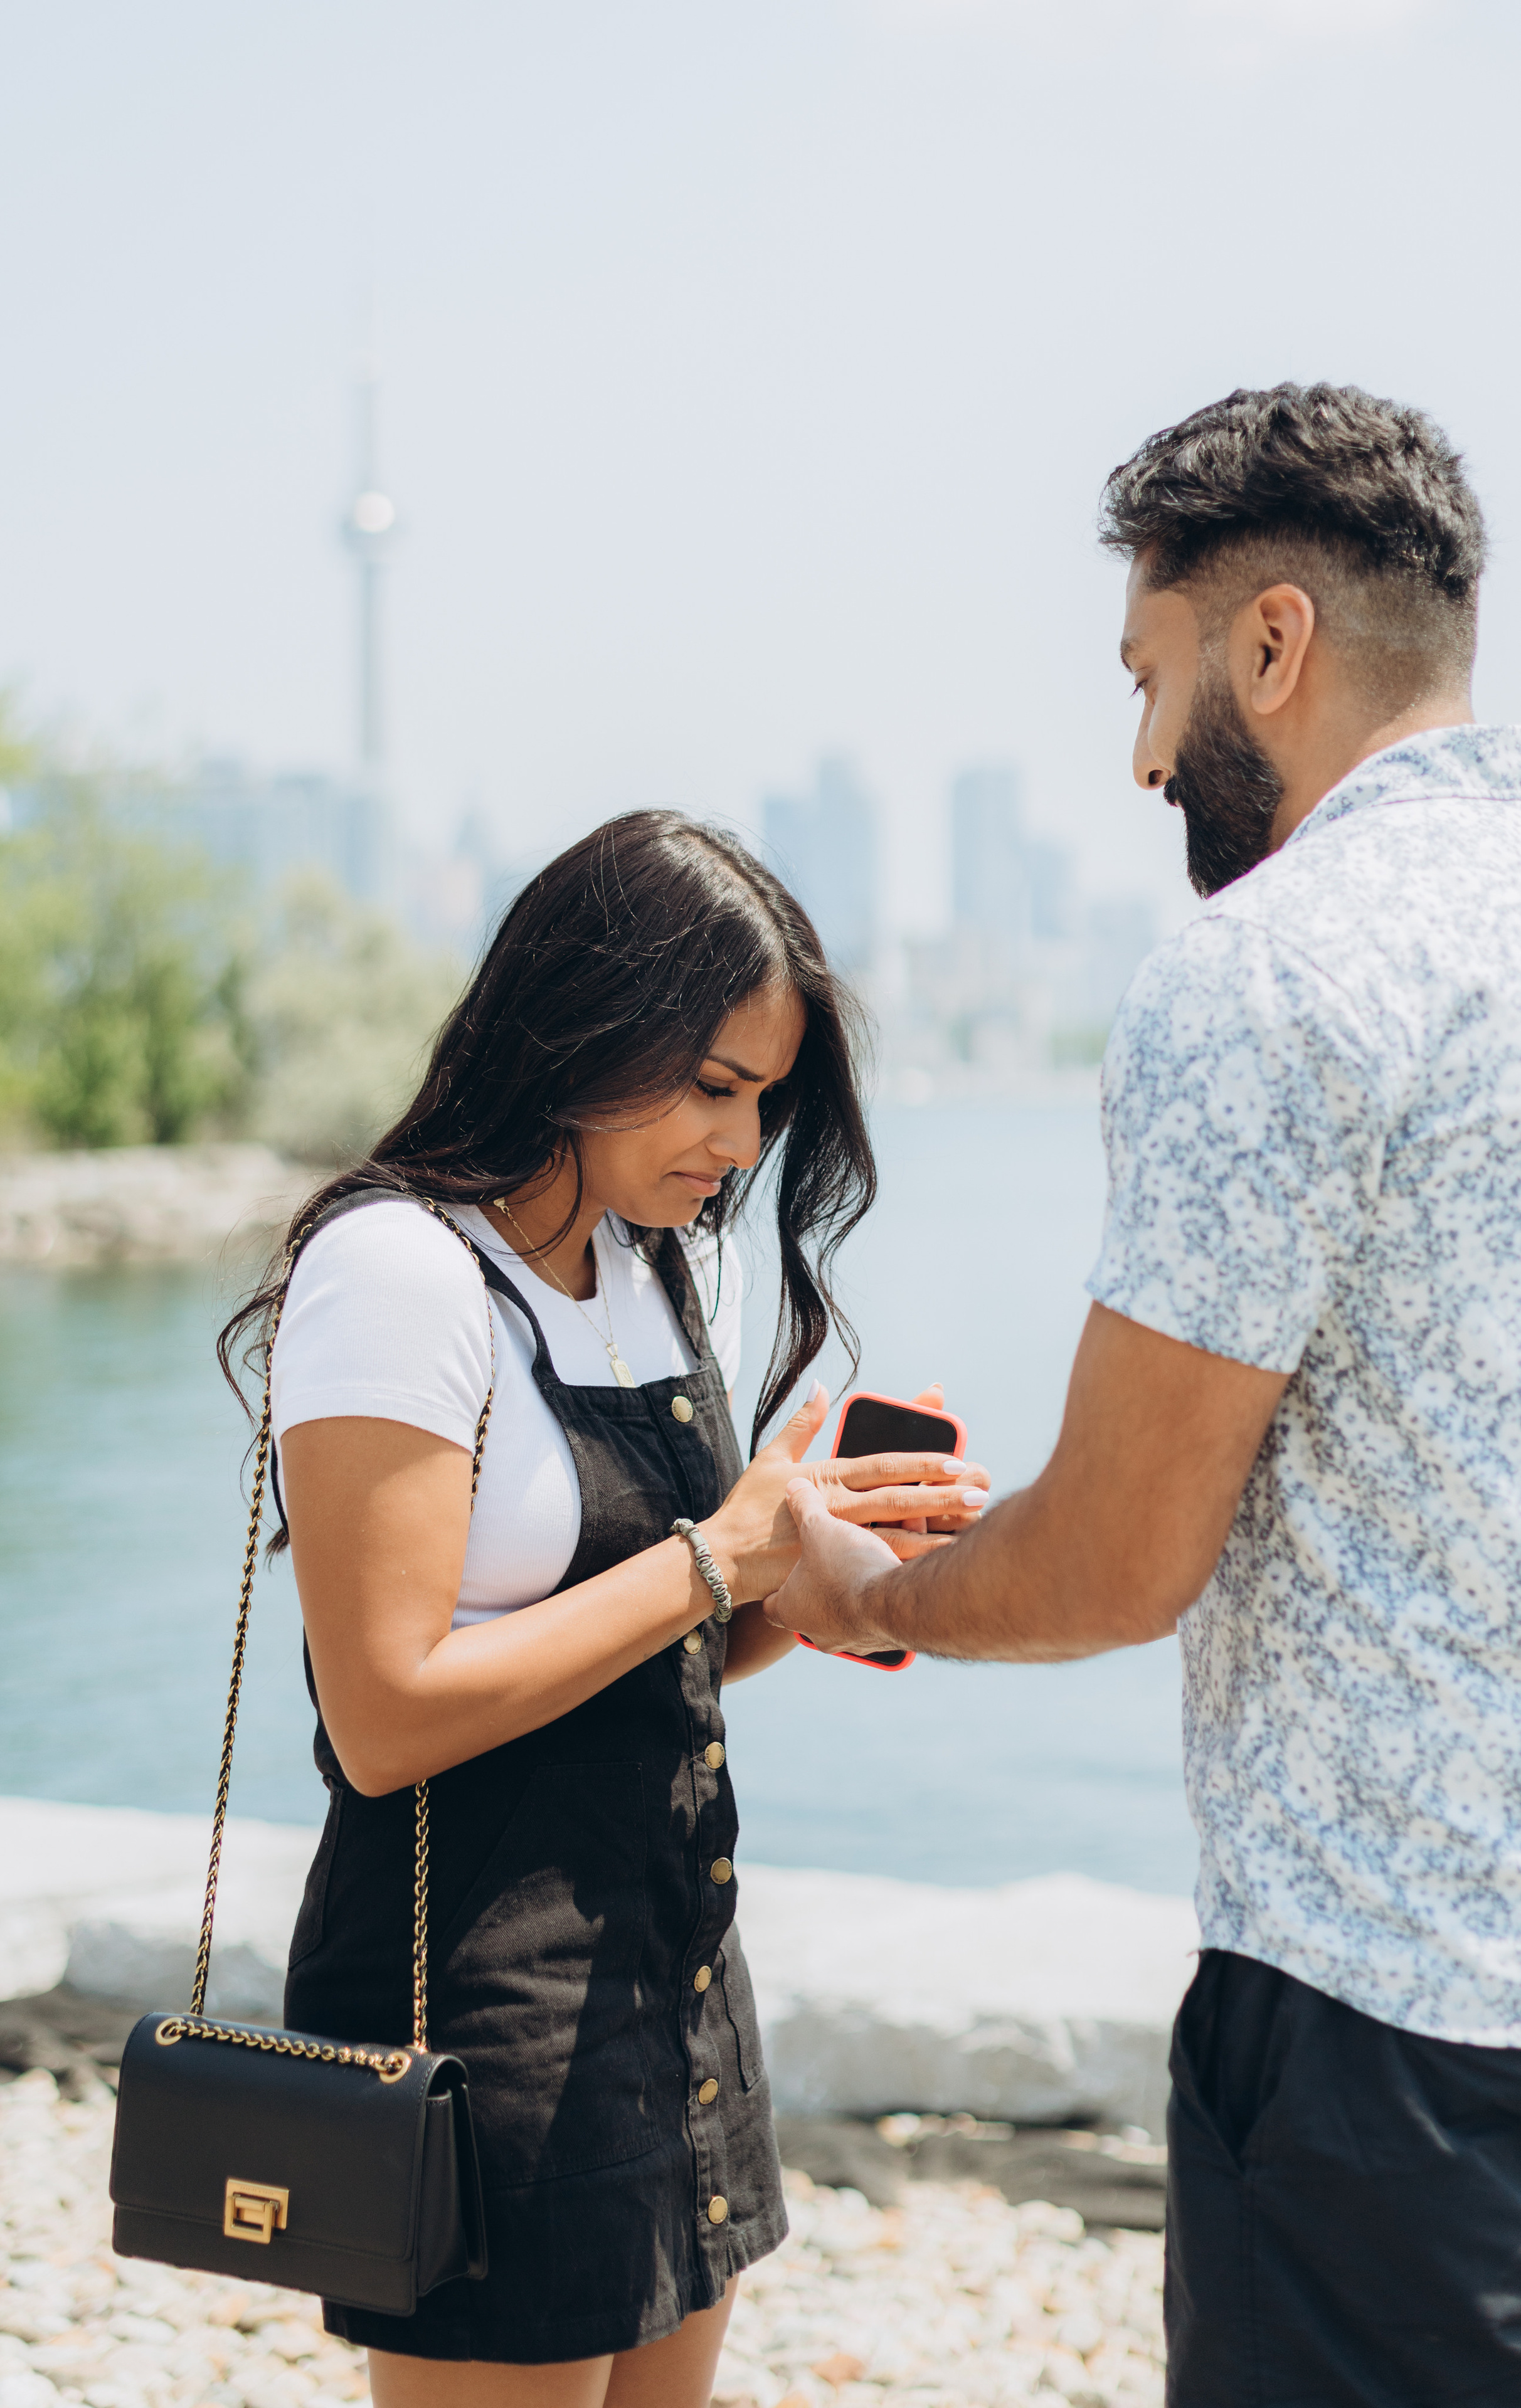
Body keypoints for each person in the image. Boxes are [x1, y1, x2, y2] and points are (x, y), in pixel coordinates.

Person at [766, 383, 1521, 2398]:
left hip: (1396, 2040)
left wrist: (863, 1590)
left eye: (1152, 676)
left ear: (1272, 644)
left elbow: (1114, 1563)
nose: (1138, 756)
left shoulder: (1274, 968)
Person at [221, 809, 988, 2408]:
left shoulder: (646, 1270)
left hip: (677, 1979)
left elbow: (665, 1652)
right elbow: (382, 1719)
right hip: (476, 2023)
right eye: (711, 1084)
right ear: (580, 1029)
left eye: (765, 1099)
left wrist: (811, 1573)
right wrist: (714, 1555)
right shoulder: (400, 1273)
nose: (739, 1138)